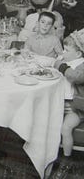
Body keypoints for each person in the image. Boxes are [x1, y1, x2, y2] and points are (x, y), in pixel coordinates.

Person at [52, 29, 84, 178]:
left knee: (66, 128)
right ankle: (48, 152)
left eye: (67, 50)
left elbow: (75, 76)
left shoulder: (81, 66)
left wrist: (61, 66)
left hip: (77, 108)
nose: (63, 52)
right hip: (61, 103)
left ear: (78, 54)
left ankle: (66, 159)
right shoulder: (69, 60)